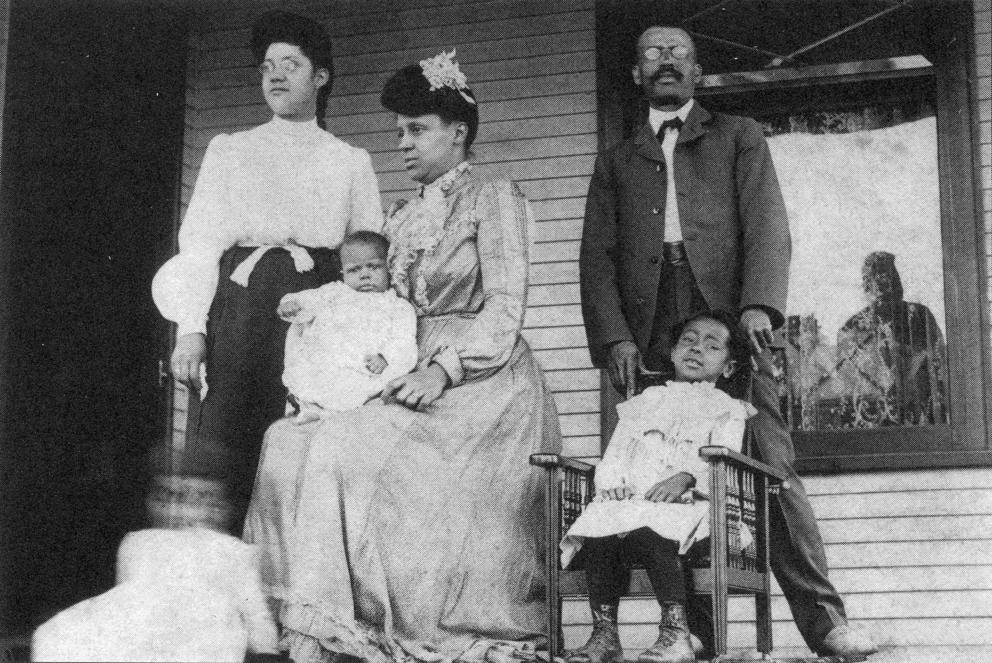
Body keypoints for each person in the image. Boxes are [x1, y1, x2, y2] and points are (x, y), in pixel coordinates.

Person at [244, 50, 562, 663]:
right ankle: (299, 629)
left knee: (341, 448)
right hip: (402, 368)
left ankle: (360, 627)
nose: (403, 145)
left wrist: (442, 370)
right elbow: (375, 306)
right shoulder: (400, 215)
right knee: (286, 442)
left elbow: (505, 308)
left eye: (417, 129)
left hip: (481, 383)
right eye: (398, 133)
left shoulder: (495, 197)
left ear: (458, 132)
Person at [579, 26, 877, 658]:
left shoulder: (739, 136)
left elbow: (768, 223)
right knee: (650, 465)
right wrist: (614, 341)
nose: (666, 61)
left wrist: (760, 307)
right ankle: (691, 635)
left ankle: (827, 627)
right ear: (636, 74)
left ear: (699, 73)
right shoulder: (617, 155)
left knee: (767, 463)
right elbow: (597, 258)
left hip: (734, 324)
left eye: (679, 53)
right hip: (651, 328)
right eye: (652, 53)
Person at [151, 10, 383, 530]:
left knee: (306, 445)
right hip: (240, 309)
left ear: (320, 77)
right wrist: (190, 330)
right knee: (226, 441)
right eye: (267, 67)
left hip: (317, 311)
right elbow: (201, 244)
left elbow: (368, 258)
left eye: (290, 65)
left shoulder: (350, 161)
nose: (275, 76)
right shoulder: (230, 150)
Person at [562, 311, 754, 663]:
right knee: (600, 532)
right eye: (689, 340)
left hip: (689, 506)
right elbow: (616, 453)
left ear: (728, 367)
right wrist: (614, 483)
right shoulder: (645, 403)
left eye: (712, 346)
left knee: (649, 532)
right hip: (634, 502)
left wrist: (688, 475)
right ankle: (605, 635)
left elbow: (726, 460)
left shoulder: (727, 409)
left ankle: (676, 633)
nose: (697, 349)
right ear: (672, 351)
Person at [280, 230, 418, 421]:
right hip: (330, 357)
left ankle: (331, 412)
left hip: (364, 366)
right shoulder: (335, 292)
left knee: (354, 389)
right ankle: (309, 406)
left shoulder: (397, 306)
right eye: (354, 270)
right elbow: (311, 299)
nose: (364, 275)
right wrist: (295, 304)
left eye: (373, 267)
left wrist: (386, 357)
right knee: (313, 376)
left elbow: (404, 339)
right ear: (343, 272)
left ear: (388, 268)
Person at [836, 251, 946, 427]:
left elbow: (939, 365)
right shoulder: (852, 327)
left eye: (885, 275)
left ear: (895, 278)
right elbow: (846, 387)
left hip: (918, 419)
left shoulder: (919, 316)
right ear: (865, 284)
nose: (879, 283)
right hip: (873, 424)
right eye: (870, 278)